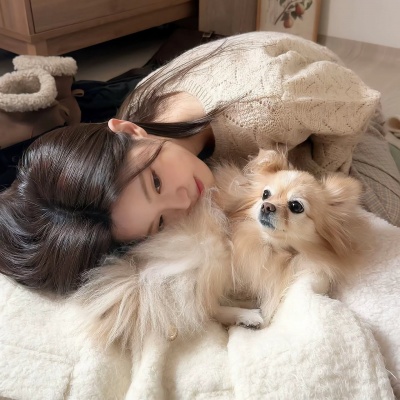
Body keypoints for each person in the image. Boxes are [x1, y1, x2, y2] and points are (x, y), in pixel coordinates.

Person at [1, 31, 399, 294]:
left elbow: (357, 102)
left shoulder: (268, 104)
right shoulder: (140, 130)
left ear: (129, 130)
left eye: (155, 182)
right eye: (160, 222)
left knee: (380, 212)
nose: (183, 202)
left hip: (337, 98)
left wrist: (322, 176)